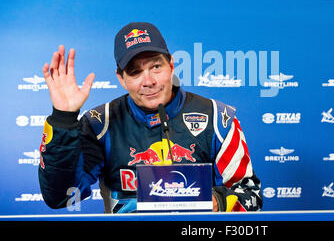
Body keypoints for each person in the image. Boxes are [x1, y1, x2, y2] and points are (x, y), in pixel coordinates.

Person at [38, 22, 262, 213]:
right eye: (135, 72)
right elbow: (62, 197)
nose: (149, 81)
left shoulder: (217, 118)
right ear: (121, 79)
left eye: (156, 66)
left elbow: (251, 195)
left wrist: (217, 202)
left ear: (171, 65)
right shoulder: (100, 123)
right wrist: (64, 119)